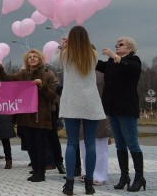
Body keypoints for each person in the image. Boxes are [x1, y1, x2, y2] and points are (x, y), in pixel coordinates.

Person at [0, 49, 57, 183]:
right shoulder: (23, 74)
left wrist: (41, 86)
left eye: (35, 57)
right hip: (26, 116)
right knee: (31, 145)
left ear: (40, 59)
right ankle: (35, 169)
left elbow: (52, 96)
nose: (32, 59)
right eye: (29, 57)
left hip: (41, 116)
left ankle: (41, 172)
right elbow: (7, 80)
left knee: (40, 145)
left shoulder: (48, 75)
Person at [58, 26, 106, 196]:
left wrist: (62, 44)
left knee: (72, 143)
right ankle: (89, 184)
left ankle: (69, 183)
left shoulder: (65, 54)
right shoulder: (93, 54)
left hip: (72, 102)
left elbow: (54, 59)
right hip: (90, 102)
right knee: (90, 143)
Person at [98, 36, 146, 192]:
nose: (117, 46)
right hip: (112, 109)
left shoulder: (134, 60)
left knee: (132, 143)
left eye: (121, 44)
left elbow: (133, 70)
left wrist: (115, 56)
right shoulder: (111, 63)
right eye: (116, 44)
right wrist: (84, 49)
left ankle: (139, 177)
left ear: (129, 48)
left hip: (126, 109)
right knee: (119, 144)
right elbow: (97, 64)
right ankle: (124, 176)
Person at [78, 70, 112, 186]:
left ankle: (100, 175)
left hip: (99, 112)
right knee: (84, 145)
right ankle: (88, 172)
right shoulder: (77, 73)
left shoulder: (101, 75)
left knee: (100, 146)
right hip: (82, 113)